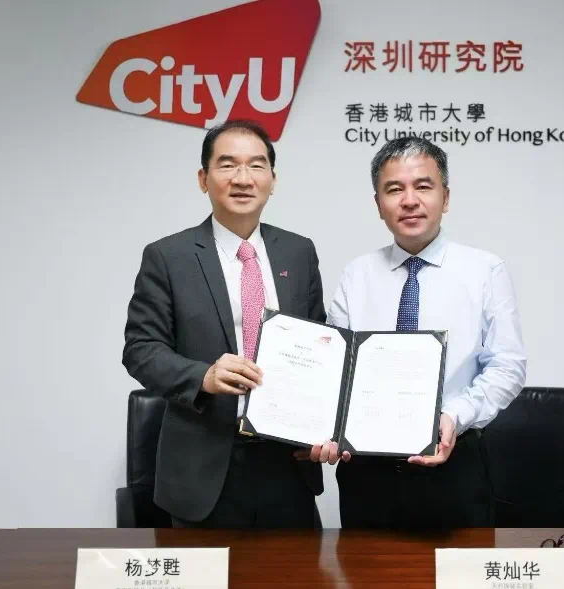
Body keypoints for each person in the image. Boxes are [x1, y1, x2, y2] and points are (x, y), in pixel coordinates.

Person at [122, 120, 326, 528]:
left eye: (256, 165)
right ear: (203, 179)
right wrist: (203, 376)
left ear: (272, 180)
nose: (243, 178)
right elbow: (141, 350)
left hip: (288, 462)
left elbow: (321, 345)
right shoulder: (168, 256)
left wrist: (326, 423)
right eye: (228, 165)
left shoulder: (298, 252)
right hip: (203, 465)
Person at [323, 136, 527, 528]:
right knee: (365, 565)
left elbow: (508, 367)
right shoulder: (357, 274)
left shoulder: (485, 270)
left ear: (445, 198)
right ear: (378, 205)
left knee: (460, 567)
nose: (409, 200)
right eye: (394, 189)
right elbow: (336, 369)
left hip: (455, 465)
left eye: (423, 186)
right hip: (367, 472)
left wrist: (454, 416)